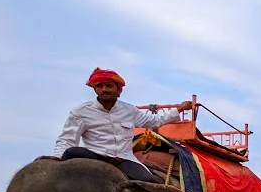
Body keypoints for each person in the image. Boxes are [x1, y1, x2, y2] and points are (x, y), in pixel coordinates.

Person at [54, 68, 194, 183]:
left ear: (118, 90)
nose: (104, 89)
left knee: (151, 184)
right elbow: (67, 139)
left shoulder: (129, 110)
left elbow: (154, 121)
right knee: (71, 152)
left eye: (109, 86)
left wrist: (179, 109)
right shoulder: (80, 112)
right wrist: (55, 161)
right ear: (95, 89)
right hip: (96, 156)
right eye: (100, 86)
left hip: (124, 160)